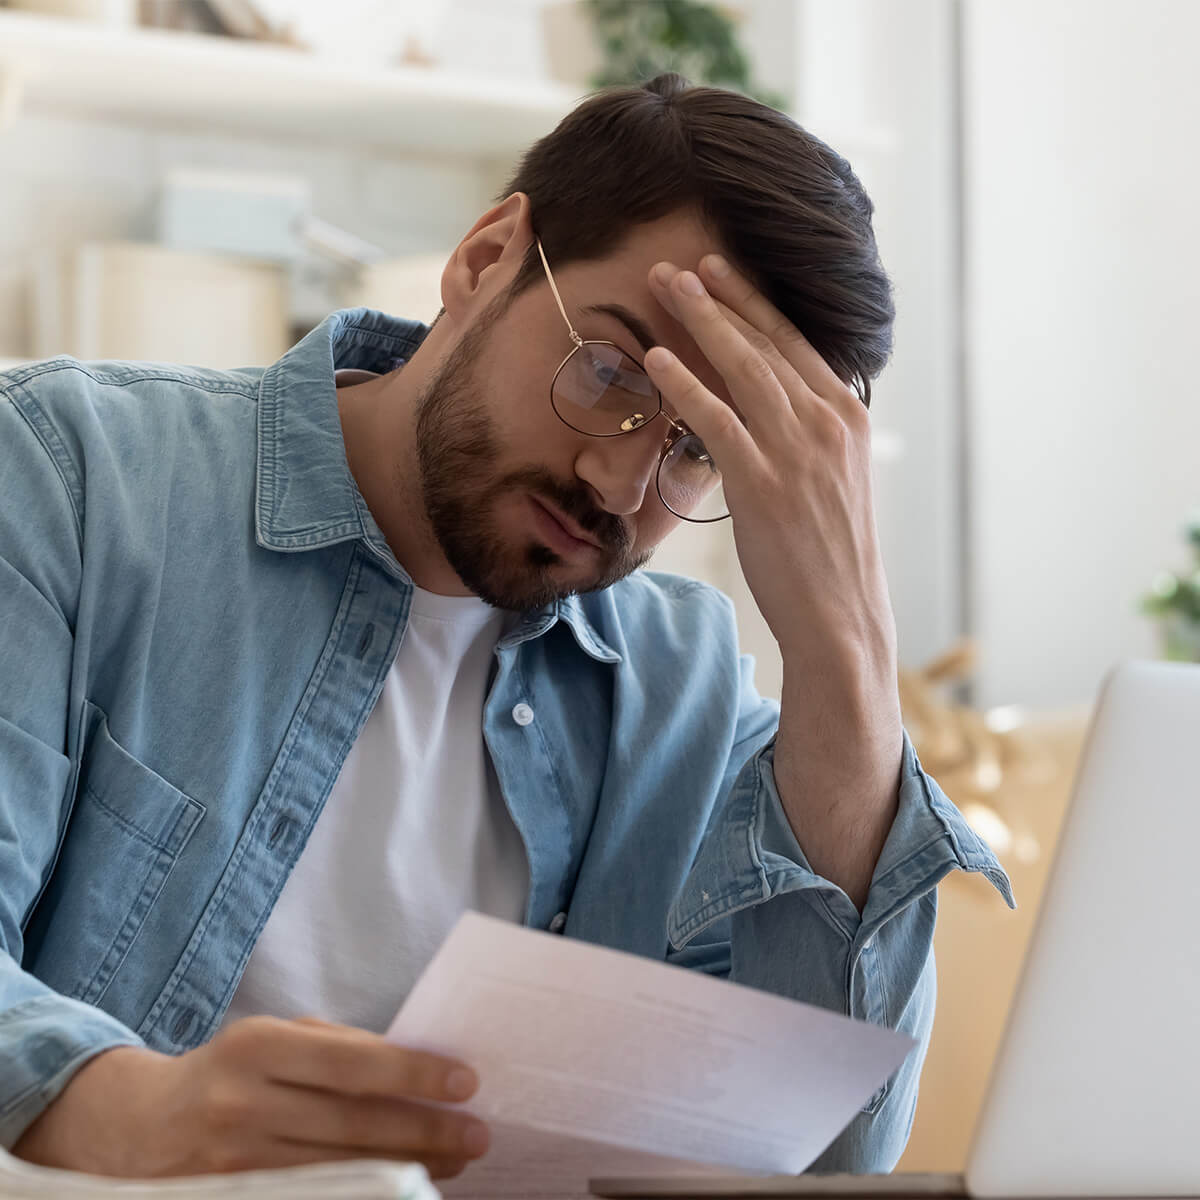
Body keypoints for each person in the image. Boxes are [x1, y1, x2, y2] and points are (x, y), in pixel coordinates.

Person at [0, 73, 1012, 1182]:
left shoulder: (680, 685)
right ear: (486, 259)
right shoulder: (71, 480)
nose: (620, 480)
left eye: (699, 448)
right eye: (613, 371)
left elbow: (829, 1159)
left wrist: (849, 646)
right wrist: (133, 1106)